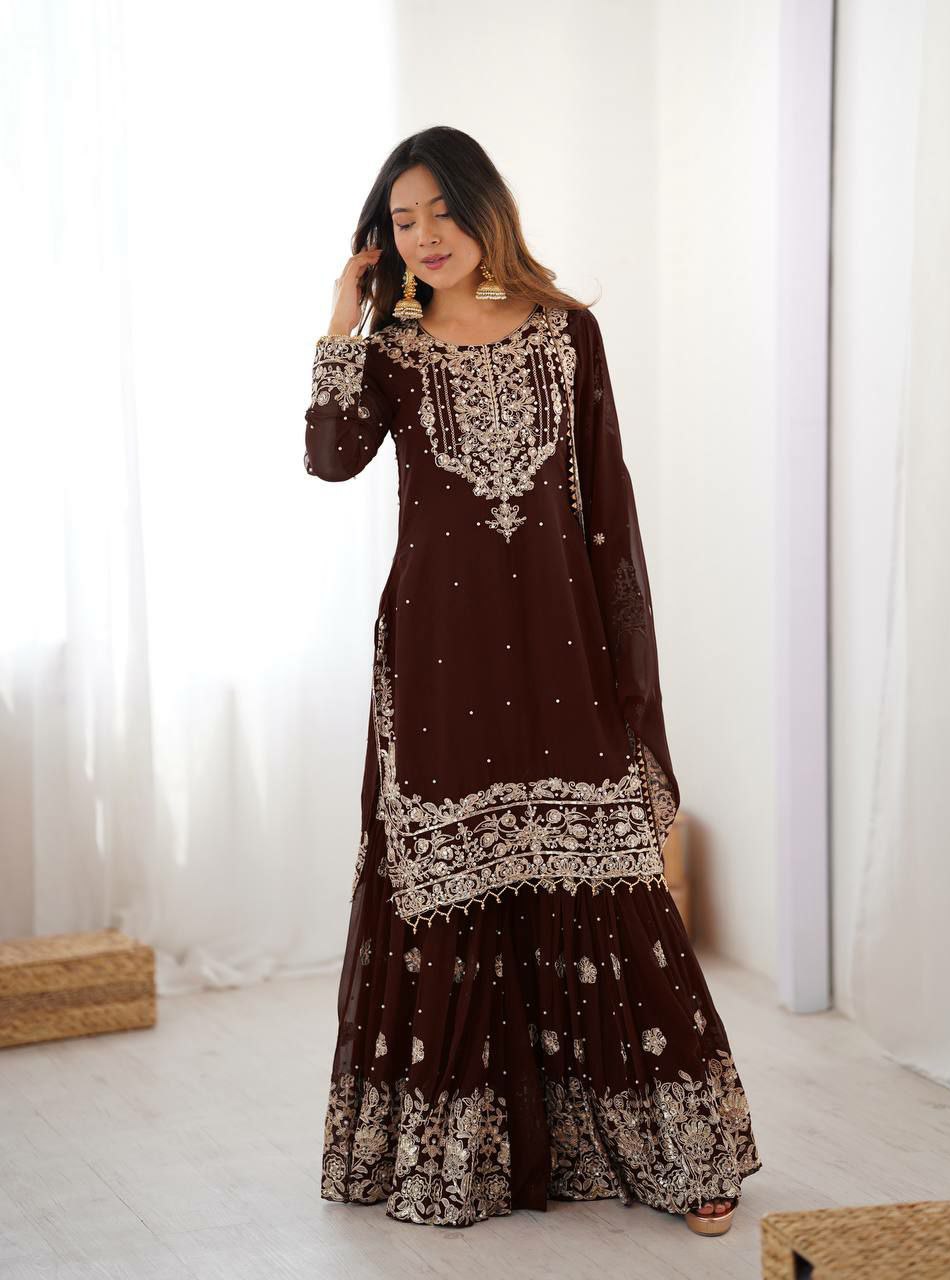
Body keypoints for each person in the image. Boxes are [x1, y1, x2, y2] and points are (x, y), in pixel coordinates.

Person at [304, 126, 762, 1235]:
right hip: (440, 654)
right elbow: (328, 453)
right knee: (455, 883)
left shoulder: (569, 334)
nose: (426, 236)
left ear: (483, 207)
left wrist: (624, 677)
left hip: (560, 656)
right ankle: (457, 1160)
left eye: (439, 212)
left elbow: (606, 511)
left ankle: (682, 1155)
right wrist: (344, 316)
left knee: (609, 880)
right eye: (401, 221)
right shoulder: (397, 350)